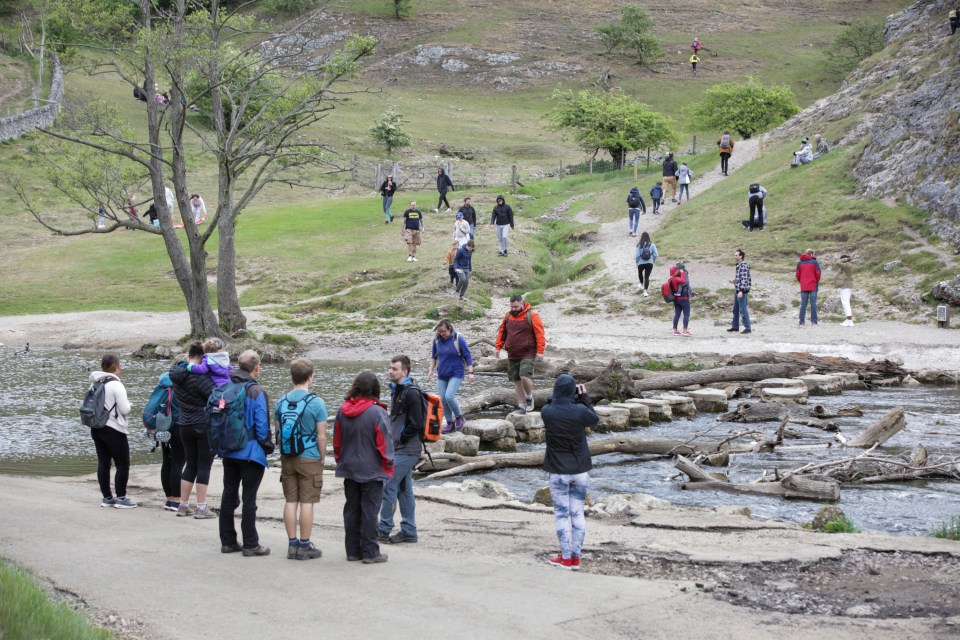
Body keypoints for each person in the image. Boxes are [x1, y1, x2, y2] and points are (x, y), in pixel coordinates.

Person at [334, 371, 393, 564]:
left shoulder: (343, 410)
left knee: (351, 510)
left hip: (349, 467)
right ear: (374, 390)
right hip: (371, 469)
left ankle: (352, 551)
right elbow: (385, 444)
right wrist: (389, 465)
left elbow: (337, 441)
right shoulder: (378, 412)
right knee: (369, 511)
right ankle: (370, 552)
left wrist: (340, 460)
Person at [541, 374, 598, 571]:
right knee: (578, 513)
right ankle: (576, 558)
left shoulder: (547, 411)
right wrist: (584, 398)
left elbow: (552, 403)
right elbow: (594, 419)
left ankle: (565, 557)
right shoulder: (580, 411)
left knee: (562, 515)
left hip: (557, 471)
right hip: (580, 470)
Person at [219, 350, 271, 557]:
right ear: (257, 367)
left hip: (228, 450)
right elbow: (261, 426)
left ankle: (228, 541)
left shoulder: (224, 387)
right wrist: (267, 448)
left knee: (228, 495)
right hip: (250, 452)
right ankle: (251, 543)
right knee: (249, 498)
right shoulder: (256, 391)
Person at [275, 357, 328, 561]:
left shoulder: (281, 400)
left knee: (291, 501)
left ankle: (292, 544)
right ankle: (305, 546)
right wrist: (322, 457)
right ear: (310, 377)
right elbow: (322, 435)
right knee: (307, 502)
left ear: (292, 377)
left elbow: (278, 430)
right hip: (309, 457)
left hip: (288, 456)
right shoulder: (316, 402)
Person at [169, 341, 216, 518]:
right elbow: (215, 396)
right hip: (202, 425)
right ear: (203, 357)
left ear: (189, 354)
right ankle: (201, 507)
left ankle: (183, 505)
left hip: (184, 424)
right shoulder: (201, 378)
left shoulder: (177, 375)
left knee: (190, 464)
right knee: (204, 466)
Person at [379, 356, 422, 546]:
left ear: (404, 372)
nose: (390, 371)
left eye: (394, 369)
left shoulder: (411, 393)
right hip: (400, 448)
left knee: (388, 485)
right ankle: (409, 531)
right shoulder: (397, 391)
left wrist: (401, 439)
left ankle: (383, 530)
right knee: (404, 490)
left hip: (407, 450)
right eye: (389, 368)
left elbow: (417, 423)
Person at [88, 354, 136, 509]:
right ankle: (121, 498)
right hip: (114, 429)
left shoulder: (95, 383)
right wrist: (130, 404)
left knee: (104, 462)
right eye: (119, 365)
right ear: (116, 367)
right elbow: (124, 409)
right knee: (122, 463)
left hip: (96, 428)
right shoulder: (116, 385)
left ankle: (107, 498)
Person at [495, 294, 546, 413]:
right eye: (512, 307)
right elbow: (502, 332)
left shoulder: (532, 315)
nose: (513, 309)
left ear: (522, 304)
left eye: (516, 307)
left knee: (524, 376)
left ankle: (529, 397)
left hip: (528, 352)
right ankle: (521, 405)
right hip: (512, 352)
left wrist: (540, 351)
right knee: (516, 380)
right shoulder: (508, 316)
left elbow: (540, 334)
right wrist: (498, 347)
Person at [426, 319, 474, 433]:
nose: (442, 334)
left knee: (449, 396)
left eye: (444, 331)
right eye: (440, 332)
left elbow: (467, 356)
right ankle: (449, 423)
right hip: (442, 373)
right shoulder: (437, 340)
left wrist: (470, 372)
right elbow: (434, 356)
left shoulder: (458, 338)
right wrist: (431, 370)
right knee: (442, 399)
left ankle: (459, 417)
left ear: (450, 329)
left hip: (456, 373)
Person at [150, 363, 185, 514]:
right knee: (178, 463)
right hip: (178, 426)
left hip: (163, 426)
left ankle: (169, 498)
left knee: (167, 462)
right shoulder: (182, 385)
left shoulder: (163, 383)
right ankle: (177, 501)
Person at [727, 249, 752, 334]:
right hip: (737, 290)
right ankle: (735, 326)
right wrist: (733, 281)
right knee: (736, 309)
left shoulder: (743, 265)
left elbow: (744, 279)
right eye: (735, 255)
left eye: (736, 255)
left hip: (741, 291)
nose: (735, 256)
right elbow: (739, 278)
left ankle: (748, 328)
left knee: (743, 309)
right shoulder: (739, 265)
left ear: (741, 256)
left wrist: (741, 290)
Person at [796, 249, 822, 326]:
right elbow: (818, 273)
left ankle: (801, 322)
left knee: (803, 304)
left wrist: (802, 281)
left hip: (804, 286)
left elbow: (797, 274)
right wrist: (815, 281)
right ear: (811, 254)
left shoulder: (800, 263)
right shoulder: (814, 262)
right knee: (813, 304)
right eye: (814, 254)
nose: (815, 255)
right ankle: (814, 322)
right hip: (813, 285)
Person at [669, 262, 692, 337]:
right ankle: (685, 330)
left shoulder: (671, 279)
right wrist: (682, 272)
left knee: (677, 315)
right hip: (684, 299)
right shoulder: (677, 279)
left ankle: (675, 330)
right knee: (686, 315)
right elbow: (683, 281)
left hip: (676, 299)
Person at [634, 231, 659, 297]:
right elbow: (656, 254)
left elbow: (637, 255)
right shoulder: (652, 245)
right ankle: (645, 291)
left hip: (641, 263)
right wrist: (652, 260)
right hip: (649, 263)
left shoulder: (639, 245)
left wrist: (637, 262)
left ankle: (641, 284)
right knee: (647, 277)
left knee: (640, 273)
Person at [835, 254, 855, 326]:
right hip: (848, 285)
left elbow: (837, 262)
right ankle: (849, 320)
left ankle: (849, 320)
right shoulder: (849, 265)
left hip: (845, 285)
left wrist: (846, 259)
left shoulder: (846, 265)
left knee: (845, 303)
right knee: (846, 302)